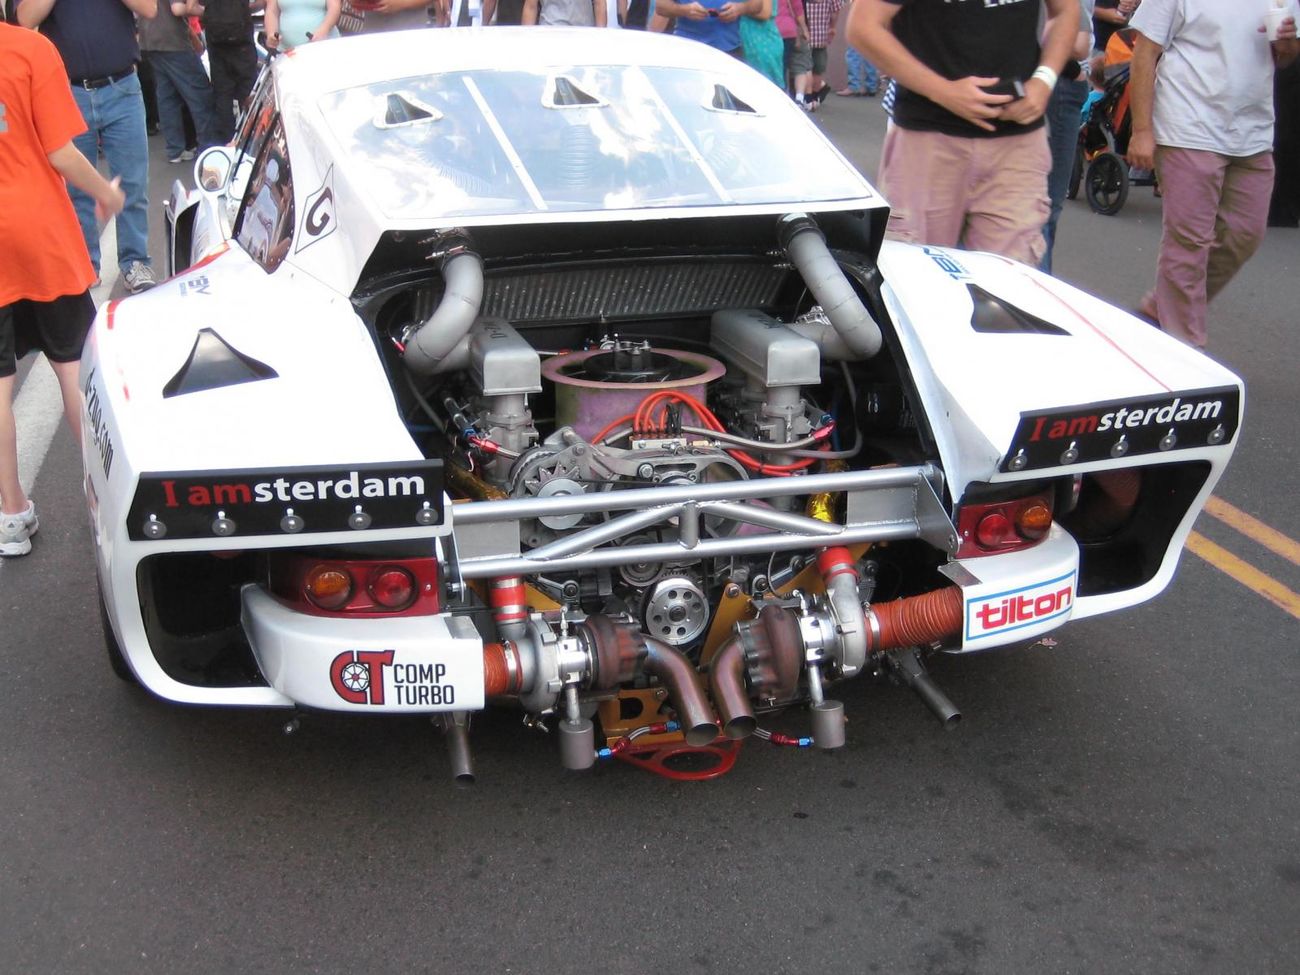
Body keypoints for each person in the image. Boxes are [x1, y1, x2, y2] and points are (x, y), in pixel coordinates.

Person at [1, 21, 126, 556]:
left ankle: (11, 514)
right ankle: (103, 498)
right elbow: (60, 151)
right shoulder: (28, 49)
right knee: (74, 363)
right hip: (38, 230)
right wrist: (106, 194)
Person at [848, 0, 1078, 266]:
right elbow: (863, 26)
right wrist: (941, 90)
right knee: (917, 272)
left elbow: (1066, 10)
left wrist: (1044, 80)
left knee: (1007, 281)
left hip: (1017, 143)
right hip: (928, 138)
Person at [1126, 0, 1298, 348]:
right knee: (1188, 244)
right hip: (1187, 125)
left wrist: (1287, 43)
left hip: (1253, 131)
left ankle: (1163, 307)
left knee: (1244, 235)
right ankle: (1184, 349)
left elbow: (1285, 56)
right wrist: (1142, 130)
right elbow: (1144, 52)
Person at [18, 0, 161, 295]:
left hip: (121, 84)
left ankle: (135, 261)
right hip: (67, 89)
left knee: (132, 181)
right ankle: (85, 265)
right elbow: (25, 18)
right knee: (75, 188)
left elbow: (149, 8)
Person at [1040, 0, 1094, 274]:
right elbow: (1078, 43)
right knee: (1043, 208)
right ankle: (1034, 291)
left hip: (1052, 80)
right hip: (1054, 82)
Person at [139, 1, 222, 163]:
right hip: (173, 39)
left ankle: (175, 149)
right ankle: (208, 148)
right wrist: (208, 10)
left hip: (149, 39)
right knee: (200, 95)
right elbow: (177, 8)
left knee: (167, 97)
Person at [187, 0, 259, 142]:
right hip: (242, 39)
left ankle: (227, 141)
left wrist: (211, 12)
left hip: (216, 40)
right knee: (248, 92)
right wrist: (242, 10)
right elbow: (262, 3)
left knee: (222, 94)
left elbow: (190, 7)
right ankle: (251, 138)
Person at [654, 0, 765, 56]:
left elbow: (757, 5)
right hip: (687, 48)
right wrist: (684, 10)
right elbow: (661, 7)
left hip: (729, 50)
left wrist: (740, 8)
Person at [775, 0, 813, 109]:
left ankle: (781, 95)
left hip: (772, 30)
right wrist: (804, 29)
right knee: (799, 65)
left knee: (779, 66)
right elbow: (797, 8)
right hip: (789, 31)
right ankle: (800, 98)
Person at [802, 0, 841, 103]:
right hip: (821, 35)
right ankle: (815, 97)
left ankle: (806, 97)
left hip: (804, 35)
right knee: (818, 69)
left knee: (803, 68)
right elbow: (835, 10)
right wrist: (832, 27)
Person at [740, 0, 784, 87]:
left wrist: (738, 9)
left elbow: (765, 12)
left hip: (762, 41)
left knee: (766, 84)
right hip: (751, 40)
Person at [265, 0, 341, 47]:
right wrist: (272, 33)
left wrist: (323, 30)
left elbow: (334, 7)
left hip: (323, 46)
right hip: (288, 53)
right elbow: (272, 11)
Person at [523, 0, 604, 25]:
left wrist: (601, 36)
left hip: (583, 34)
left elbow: (599, 4)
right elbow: (531, 7)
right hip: (549, 32)